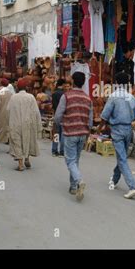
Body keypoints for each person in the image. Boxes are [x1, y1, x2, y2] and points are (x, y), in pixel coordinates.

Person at [98, 72, 135, 199]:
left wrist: (100, 127)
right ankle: (114, 180)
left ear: (116, 83)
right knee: (122, 157)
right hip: (128, 131)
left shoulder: (113, 96)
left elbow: (105, 115)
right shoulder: (130, 97)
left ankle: (133, 187)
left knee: (122, 158)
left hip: (117, 131)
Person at [54, 72, 93, 201]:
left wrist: (60, 124)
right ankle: (73, 187)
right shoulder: (88, 99)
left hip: (70, 133)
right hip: (82, 133)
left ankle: (79, 181)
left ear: (72, 82)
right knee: (75, 160)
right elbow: (90, 120)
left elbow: (58, 115)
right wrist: (88, 132)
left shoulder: (67, 96)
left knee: (70, 161)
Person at [8, 78, 42, 171]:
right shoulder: (31, 97)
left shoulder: (13, 97)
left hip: (16, 123)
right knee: (28, 140)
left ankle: (20, 164)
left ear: (17, 88)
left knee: (17, 142)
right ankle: (27, 158)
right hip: (28, 122)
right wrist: (39, 125)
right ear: (26, 88)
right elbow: (36, 111)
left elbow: (9, 110)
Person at [0, 78, 13, 145]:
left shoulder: (0, 93)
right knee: (8, 126)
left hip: (1, 112)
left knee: (1, 127)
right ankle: (7, 139)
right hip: (9, 112)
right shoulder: (11, 93)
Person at [51, 79, 65, 157]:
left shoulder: (54, 94)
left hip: (56, 114)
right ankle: (62, 151)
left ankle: (54, 150)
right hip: (63, 116)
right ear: (62, 85)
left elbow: (53, 106)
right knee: (63, 134)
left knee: (56, 134)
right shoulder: (64, 94)